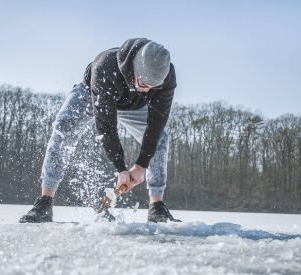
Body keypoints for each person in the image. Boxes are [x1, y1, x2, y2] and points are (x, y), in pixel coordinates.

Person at [19, 38, 181, 223]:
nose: (147, 91)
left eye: (153, 88)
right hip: (93, 93)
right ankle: (45, 202)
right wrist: (121, 168)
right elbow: (106, 125)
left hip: (134, 106)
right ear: (136, 68)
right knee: (63, 126)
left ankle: (157, 206)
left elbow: (156, 123)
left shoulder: (167, 75)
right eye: (144, 84)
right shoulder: (106, 65)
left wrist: (141, 165)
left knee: (161, 138)